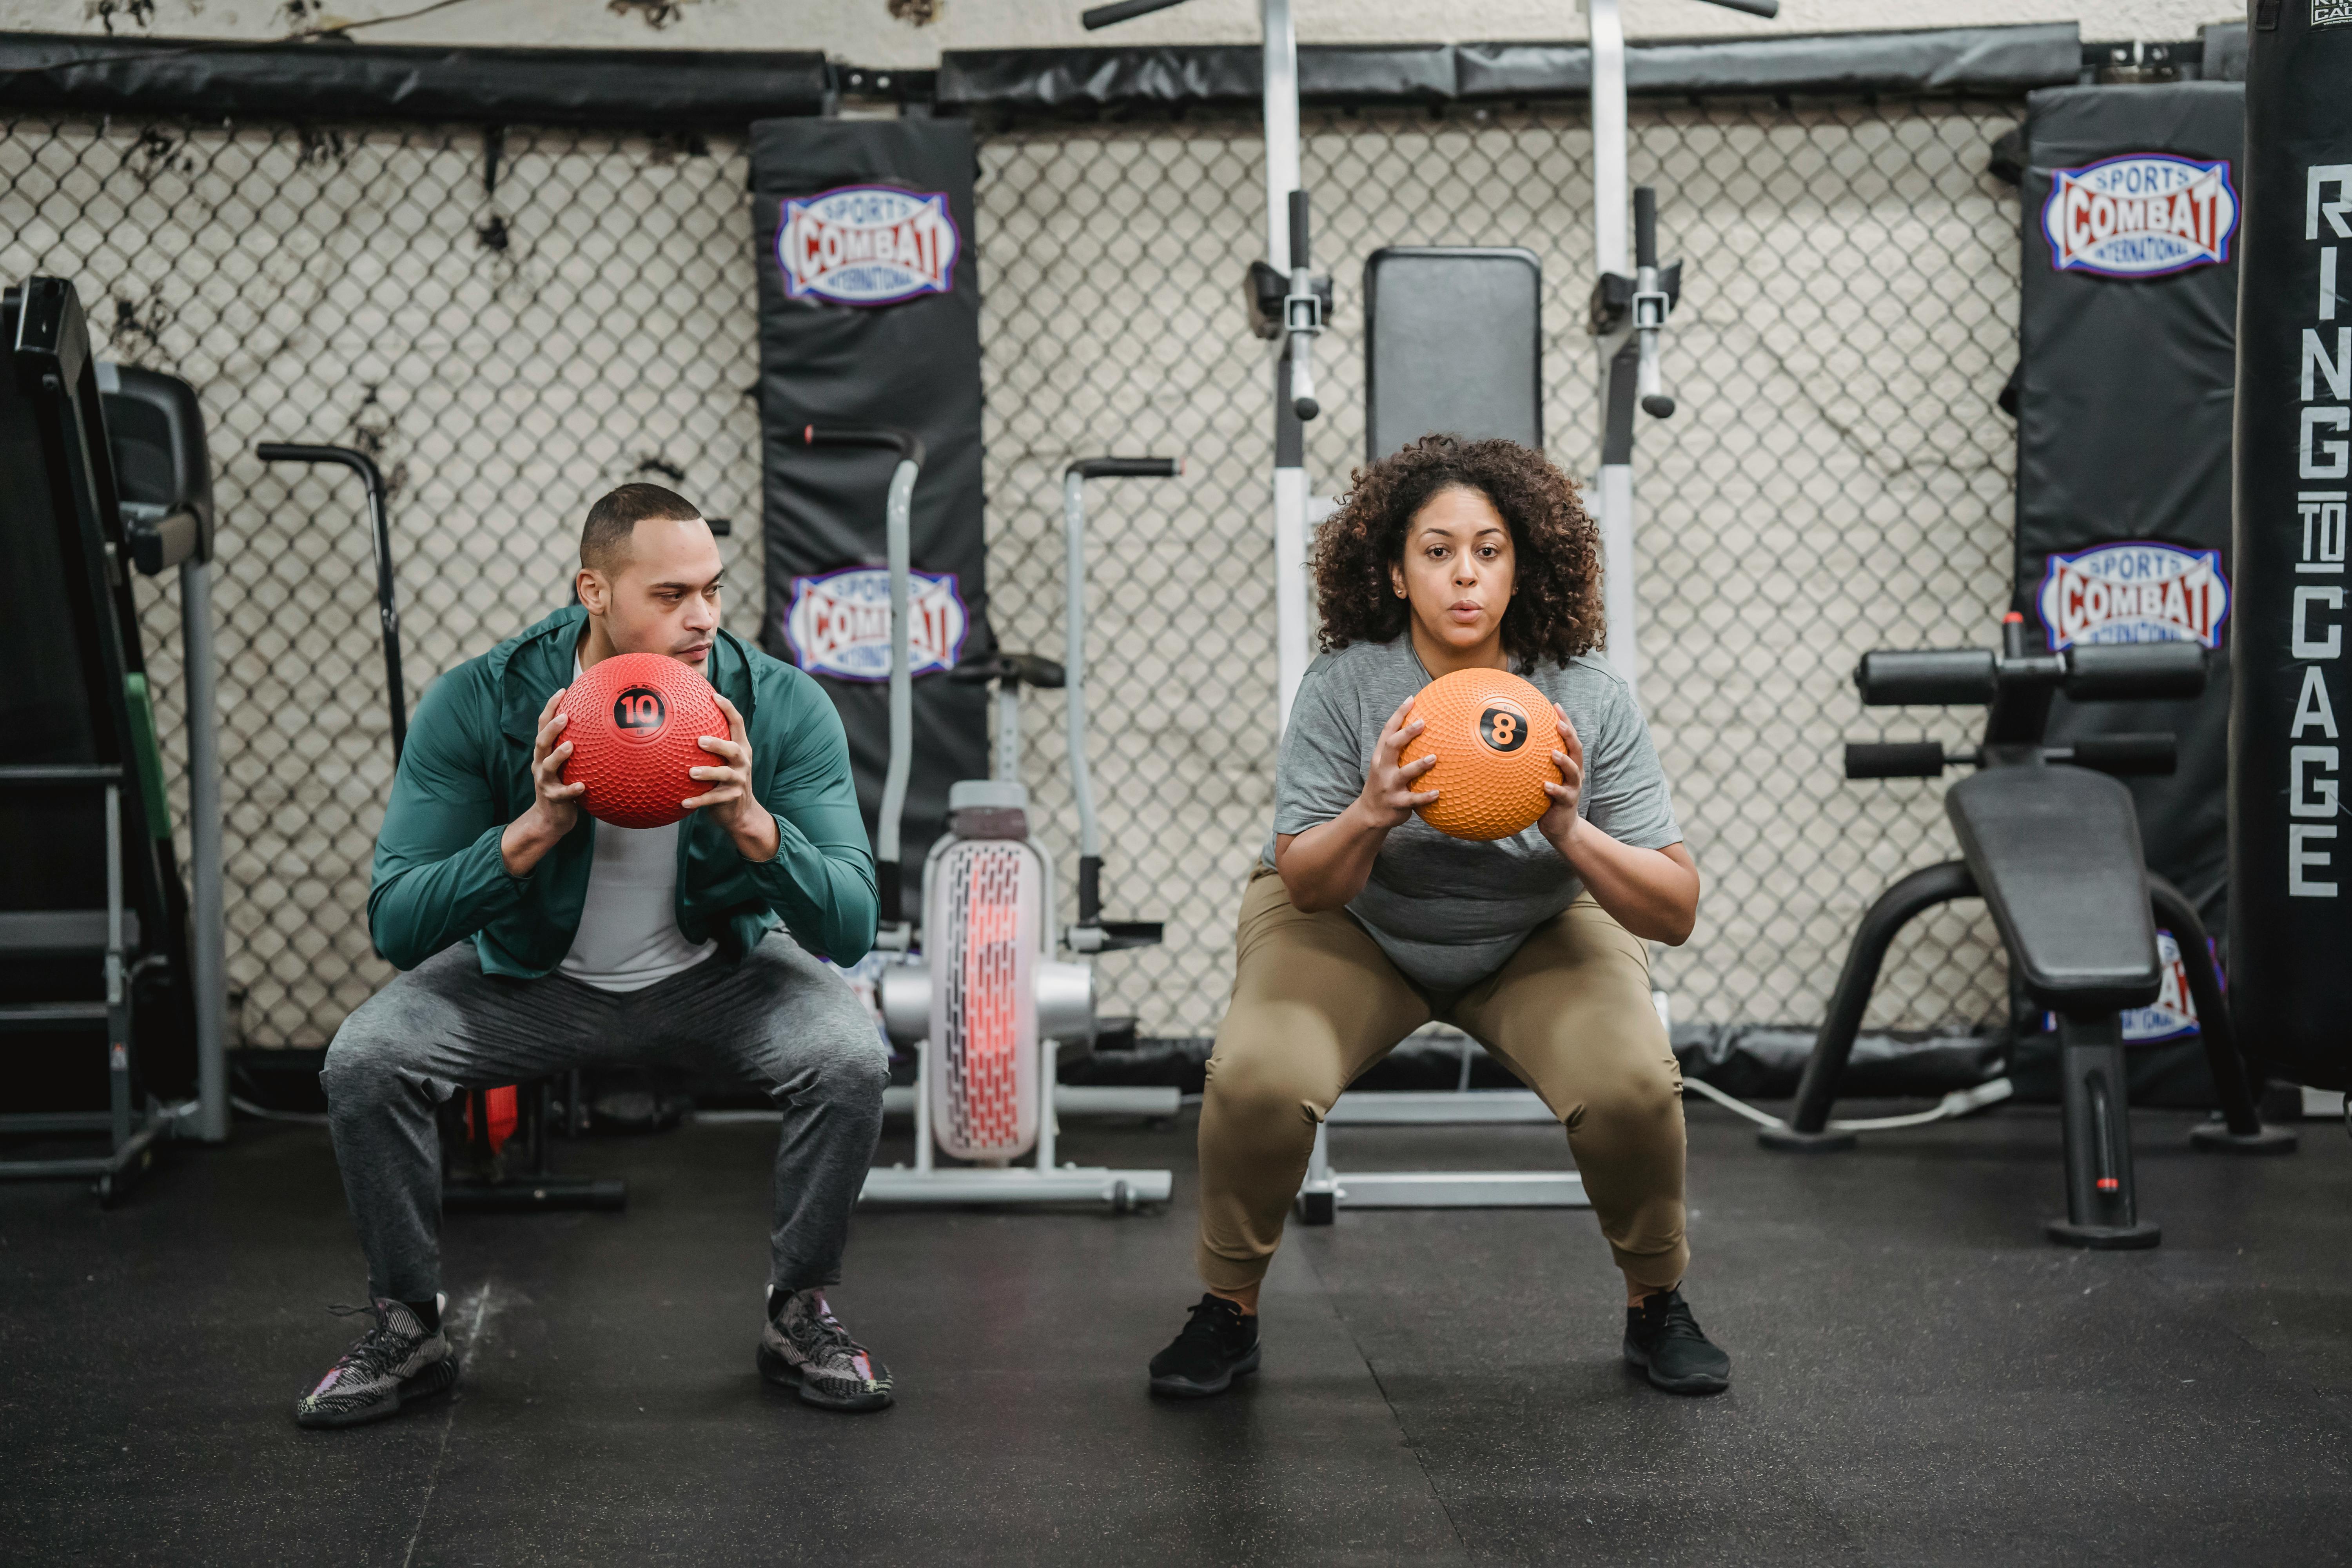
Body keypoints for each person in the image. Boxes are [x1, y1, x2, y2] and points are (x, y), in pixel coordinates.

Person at [297, 483, 894, 1428]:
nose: (702, 617)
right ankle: (408, 1325)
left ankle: (799, 1309)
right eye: (670, 595)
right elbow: (399, 925)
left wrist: (753, 823)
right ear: (594, 591)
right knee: (367, 1058)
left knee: (850, 1055)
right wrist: (533, 830)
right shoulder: (482, 700)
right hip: (533, 980)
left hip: (716, 974)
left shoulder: (777, 706)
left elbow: (852, 925)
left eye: (713, 589)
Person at [1147, 436, 1729, 1399]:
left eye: (1490, 550)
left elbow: (1674, 910)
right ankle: (1228, 1309)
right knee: (1256, 1077)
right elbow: (1310, 882)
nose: (1466, 572)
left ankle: (1657, 1301)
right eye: (1438, 549)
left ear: (1521, 565)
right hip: (1354, 922)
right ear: (1394, 569)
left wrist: (1571, 831)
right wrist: (1371, 811)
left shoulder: (1584, 694)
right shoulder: (1346, 688)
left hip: (1534, 929)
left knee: (1632, 1081)